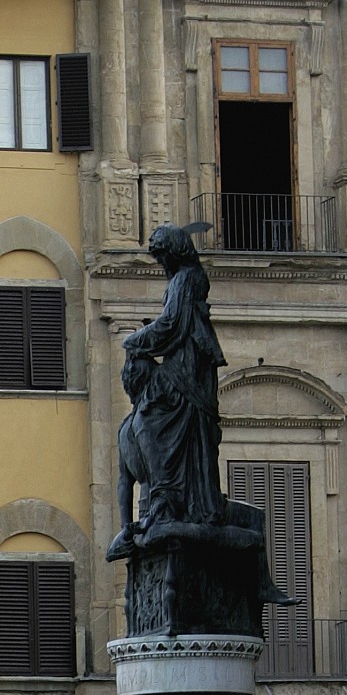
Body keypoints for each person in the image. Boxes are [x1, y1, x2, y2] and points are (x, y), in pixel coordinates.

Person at [108, 224, 227, 550]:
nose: (161, 264)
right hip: (183, 361)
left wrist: (135, 340)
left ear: (175, 252)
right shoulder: (182, 280)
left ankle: (165, 500)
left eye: (162, 256)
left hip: (186, 366)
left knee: (151, 421)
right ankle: (168, 499)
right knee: (157, 423)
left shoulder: (185, 279)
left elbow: (172, 323)